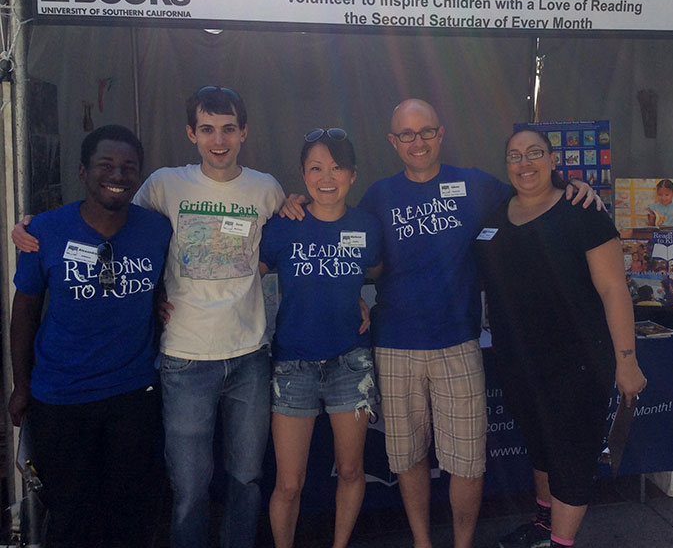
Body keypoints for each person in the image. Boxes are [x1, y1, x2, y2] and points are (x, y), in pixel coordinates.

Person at [281, 99, 598, 548]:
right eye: (406, 134)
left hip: (458, 343)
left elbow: (532, 189)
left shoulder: (476, 185)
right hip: (394, 345)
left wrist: (574, 186)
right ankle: (423, 543)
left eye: (425, 131)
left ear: (440, 133)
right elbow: (343, 242)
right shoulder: (377, 196)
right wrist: (293, 203)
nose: (417, 142)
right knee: (408, 459)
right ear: (393, 142)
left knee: (467, 462)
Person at [12, 87, 286, 548]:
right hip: (182, 359)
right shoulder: (162, 184)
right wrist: (36, 226)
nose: (218, 139)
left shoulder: (266, 188)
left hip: (249, 357)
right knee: (189, 491)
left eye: (228, 129)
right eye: (207, 129)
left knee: (246, 480)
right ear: (191, 133)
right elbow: (108, 214)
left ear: (244, 132)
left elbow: (297, 237)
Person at [475, 129, 646, 548]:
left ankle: (560, 543)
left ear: (553, 160)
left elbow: (613, 289)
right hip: (520, 364)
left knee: (570, 456)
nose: (525, 163)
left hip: (579, 363)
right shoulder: (495, 217)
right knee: (541, 447)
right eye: (515, 155)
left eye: (535, 153)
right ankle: (542, 526)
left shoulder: (580, 210)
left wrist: (627, 360)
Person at [9, 125, 172, 547]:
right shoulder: (44, 231)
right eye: (105, 165)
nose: (117, 174)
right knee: (69, 515)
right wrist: (20, 386)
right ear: (83, 172)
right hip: (61, 398)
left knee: (128, 513)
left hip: (133, 395)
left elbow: (165, 288)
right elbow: (25, 310)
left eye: (128, 167)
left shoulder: (157, 230)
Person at [259, 129, 382, 548]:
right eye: (316, 168)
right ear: (302, 175)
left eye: (336, 167)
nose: (326, 177)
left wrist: (365, 304)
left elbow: (382, 275)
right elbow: (239, 280)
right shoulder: (282, 225)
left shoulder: (367, 226)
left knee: (350, 471)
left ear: (352, 175)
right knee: (288, 484)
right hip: (293, 364)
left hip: (351, 362)